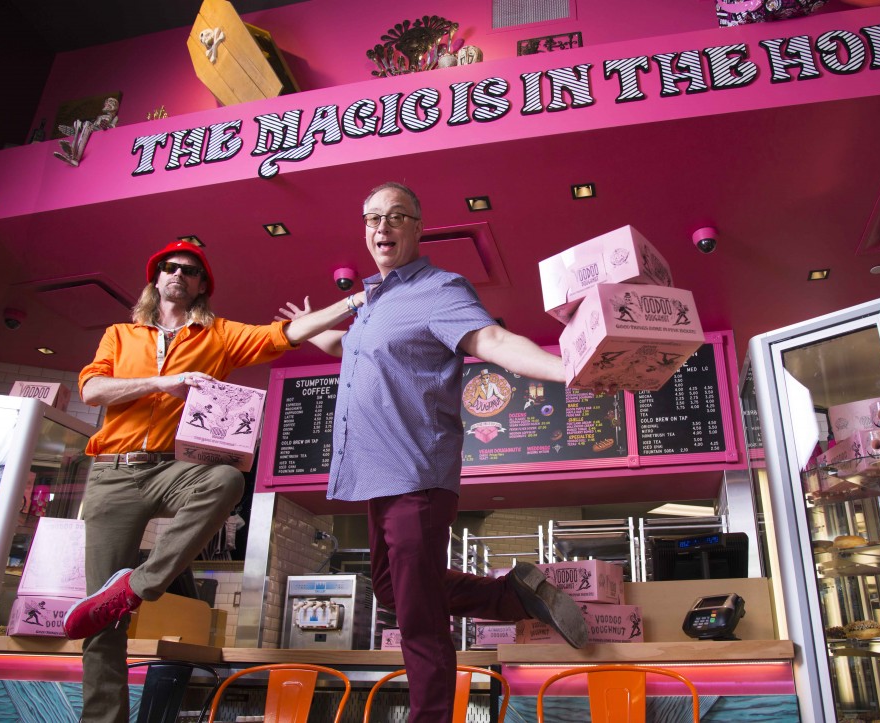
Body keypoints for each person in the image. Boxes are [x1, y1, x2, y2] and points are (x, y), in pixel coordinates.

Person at [281, 182, 588, 723]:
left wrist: (574, 369)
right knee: (392, 593)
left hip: (414, 470)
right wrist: (317, 329)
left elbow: (491, 342)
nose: (383, 227)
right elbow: (346, 348)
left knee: (418, 616)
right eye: (373, 217)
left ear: (418, 227)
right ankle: (509, 599)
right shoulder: (372, 303)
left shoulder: (440, 288)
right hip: (372, 475)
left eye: (397, 216)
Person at [63, 240, 365, 723]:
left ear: (202, 285)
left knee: (226, 480)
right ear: (156, 278)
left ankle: (138, 586)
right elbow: (92, 387)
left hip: (172, 468)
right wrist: (163, 382)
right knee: (103, 623)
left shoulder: (217, 335)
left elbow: (285, 333)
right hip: (113, 473)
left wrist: (351, 302)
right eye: (169, 267)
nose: (178, 274)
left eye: (189, 270)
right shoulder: (120, 335)